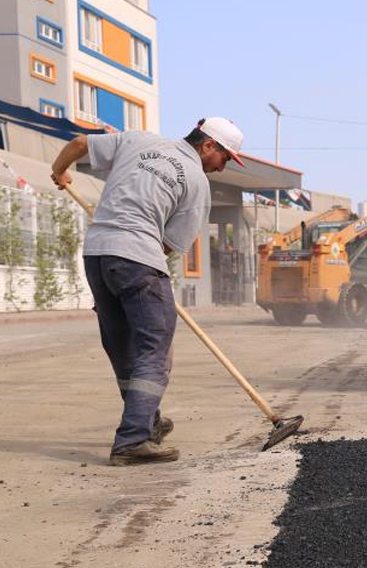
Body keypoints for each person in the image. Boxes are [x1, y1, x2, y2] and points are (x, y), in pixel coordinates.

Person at [50, 117, 244, 465]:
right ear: (209, 145)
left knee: (122, 345)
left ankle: (147, 419)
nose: (222, 166)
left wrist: (59, 171)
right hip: (138, 257)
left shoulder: (139, 140)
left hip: (97, 256)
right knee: (155, 348)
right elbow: (169, 245)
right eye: (225, 157)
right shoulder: (197, 183)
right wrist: (143, 266)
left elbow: (79, 145)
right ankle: (133, 439)